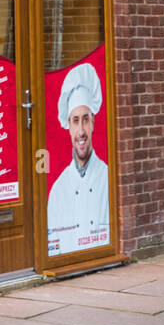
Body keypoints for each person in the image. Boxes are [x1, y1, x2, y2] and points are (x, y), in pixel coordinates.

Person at [46, 62, 109, 252]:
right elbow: (53, 248)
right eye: (75, 121)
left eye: (85, 119)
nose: (81, 131)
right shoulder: (58, 190)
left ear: (93, 123)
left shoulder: (109, 179)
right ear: (68, 126)